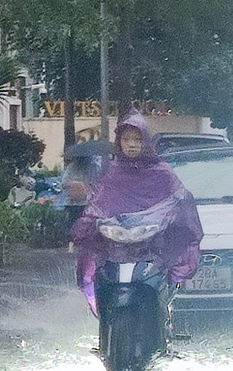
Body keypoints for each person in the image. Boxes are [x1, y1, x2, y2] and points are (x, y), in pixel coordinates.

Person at [70, 110, 203, 321]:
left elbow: (179, 200)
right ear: (119, 142)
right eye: (126, 139)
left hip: (153, 249)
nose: (132, 145)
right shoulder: (113, 173)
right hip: (116, 247)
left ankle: (163, 317)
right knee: (94, 264)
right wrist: (89, 225)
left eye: (137, 139)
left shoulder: (162, 172)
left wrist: (172, 217)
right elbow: (99, 204)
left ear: (145, 142)